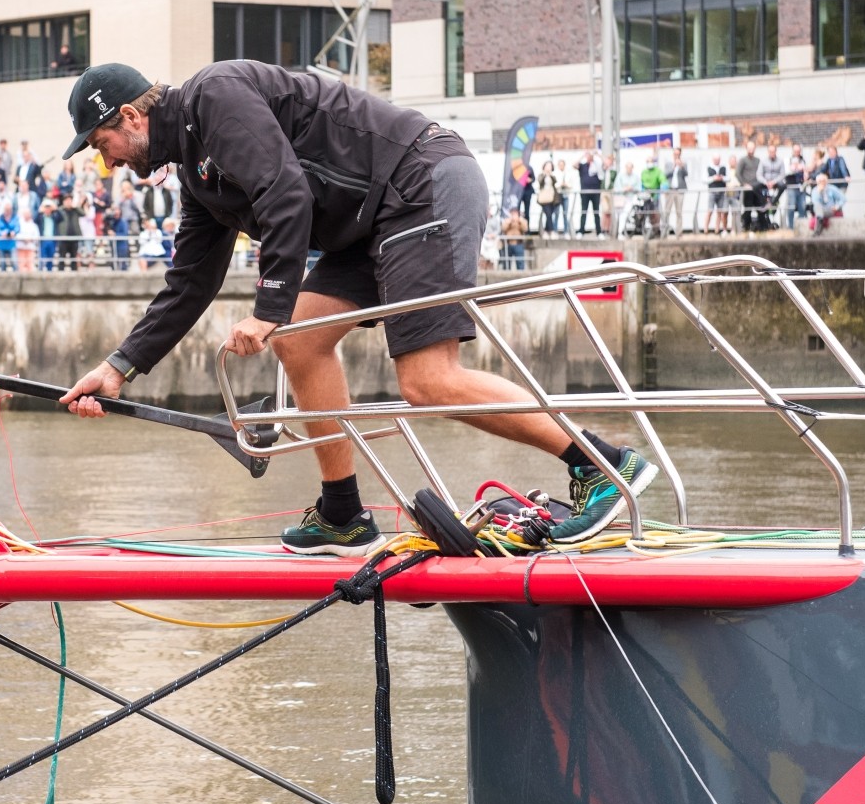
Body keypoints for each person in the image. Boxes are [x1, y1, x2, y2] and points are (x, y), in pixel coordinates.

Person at [56, 62, 656, 553]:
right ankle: (342, 514)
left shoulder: (214, 96)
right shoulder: (198, 173)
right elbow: (191, 280)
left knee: (427, 380)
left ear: (130, 116)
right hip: (373, 221)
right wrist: (118, 366)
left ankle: (604, 467)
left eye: (103, 146)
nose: (109, 163)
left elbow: (284, 191)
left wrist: (268, 307)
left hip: (420, 183)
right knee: (299, 339)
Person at [0, 200, 21, 271]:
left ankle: (16, 276)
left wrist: (14, 232)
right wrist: (1, 233)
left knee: (14, 262)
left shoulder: (15, 217)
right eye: (6, 210)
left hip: (11, 243)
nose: (8, 211)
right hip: (1, 244)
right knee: (2, 264)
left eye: (9, 210)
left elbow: (17, 227)